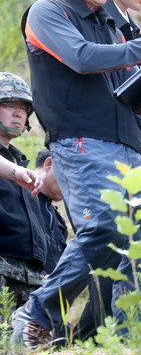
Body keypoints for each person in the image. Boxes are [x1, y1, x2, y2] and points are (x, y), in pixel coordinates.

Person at [13, 0, 141, 348]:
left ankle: (133, 339)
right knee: (107, 225)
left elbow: (134, 103)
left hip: (127, 147)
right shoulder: (47, 11)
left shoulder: (110, 26)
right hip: (80, 141)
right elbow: (81, 58)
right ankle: (39, 310)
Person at [0, 72, 47, 310]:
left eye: (23, 108)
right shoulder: (14, 168)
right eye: (9, 105)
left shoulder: (19, 161)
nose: (18, 113)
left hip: (31, 276)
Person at [33, 150, 68, 277]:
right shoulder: (16, 204)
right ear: (48, 164)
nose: (70, 186)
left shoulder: (58, 220)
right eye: (67, 177)